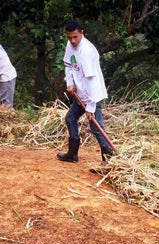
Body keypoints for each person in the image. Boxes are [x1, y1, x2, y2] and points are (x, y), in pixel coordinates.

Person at [56, 19, 114, 167]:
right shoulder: (70, 45)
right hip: (81, 93)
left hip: (93, 95)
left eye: (75, 36)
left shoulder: (87, 51)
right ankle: (72, 154)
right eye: (69, 37)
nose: (72, 40)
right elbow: (68, 65)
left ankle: (108, 159)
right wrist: (70, 82)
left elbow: (92, 81)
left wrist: (91, 105)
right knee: (70, 118)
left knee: (95, 126)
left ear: (82, 33)